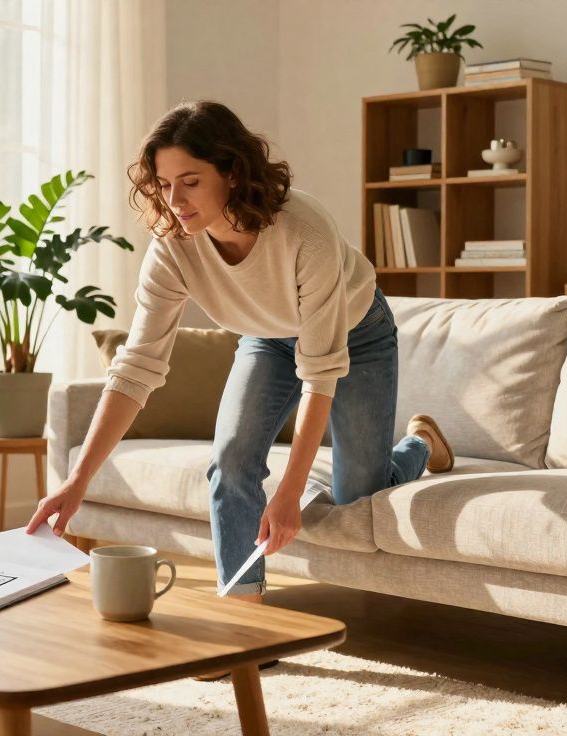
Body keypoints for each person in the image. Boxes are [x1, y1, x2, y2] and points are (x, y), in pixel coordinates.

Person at [26, 99, 452, 607]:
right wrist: (77, 482)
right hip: (266, 339)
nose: (175, 200)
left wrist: (290, 494)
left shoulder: (304, 232)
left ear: (230, 171)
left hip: (356, 333)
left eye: (190, 181)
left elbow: (318, 374)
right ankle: (243, 616)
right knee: (230, 461)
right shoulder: (173, 248)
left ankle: (420, 445)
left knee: (356, 492)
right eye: (163, 184)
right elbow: (137, 366)